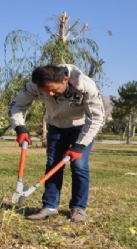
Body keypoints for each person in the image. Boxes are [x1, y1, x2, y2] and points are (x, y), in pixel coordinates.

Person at [8, 64, 105, 222]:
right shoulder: (36, 84)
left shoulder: (86, 86)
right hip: (55, 126)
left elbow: (96, 118)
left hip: (81, 127)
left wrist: (79, 146)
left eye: (54, 90)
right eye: (46, 92)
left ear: (65, 80)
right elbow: (17, 105)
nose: (50, 94)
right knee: (53, 164)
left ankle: (78, 208)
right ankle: (50, 206)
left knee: (79, 165)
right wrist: (20, 128)